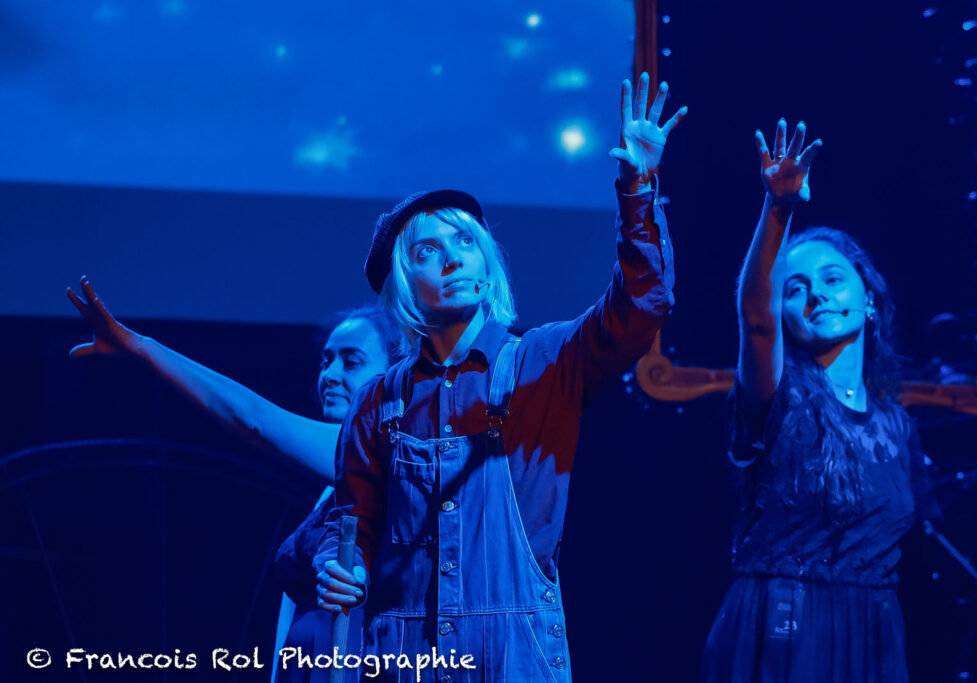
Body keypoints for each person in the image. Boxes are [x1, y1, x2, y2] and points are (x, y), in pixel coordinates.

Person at [313, 72, 684, 682]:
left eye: (465, 240)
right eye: (427, 250)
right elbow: (350, 520)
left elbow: (642, 305)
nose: (454, 256)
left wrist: (638, 189)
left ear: (487, 261)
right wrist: (338, 563)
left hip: (512, 656)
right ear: (405, 286)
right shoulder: (381, 402)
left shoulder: (544, 361)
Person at [699, 120, 939, 682]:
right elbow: (754, 320)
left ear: (868, 299)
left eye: (832, 279)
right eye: (796, 288)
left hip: (875, 632)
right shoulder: (777, 395)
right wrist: (778, 208)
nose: (816, 296)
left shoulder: (896, 425)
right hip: (783, 628)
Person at [66, 285, 405, 682]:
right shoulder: (336, 485)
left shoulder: (374, 452)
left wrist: (144, 348)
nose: (329, 375)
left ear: (392, 379)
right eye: (326, 361)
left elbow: (252, 420)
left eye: (351, 362)